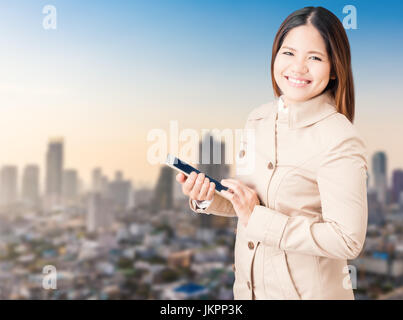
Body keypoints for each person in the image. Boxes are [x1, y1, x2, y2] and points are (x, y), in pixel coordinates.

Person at [175, 6, 368, 300]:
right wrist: (207, 198)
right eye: (288, 53)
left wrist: (258, 218)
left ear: (333, 68)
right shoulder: (258, 119)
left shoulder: (338, 137)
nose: (298, 68)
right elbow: (249, 204)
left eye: (314, 58)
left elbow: (347, 240)